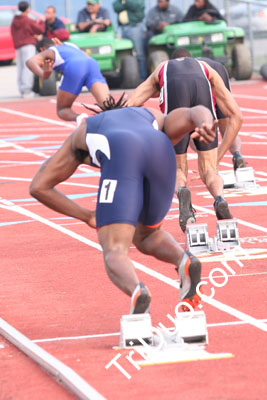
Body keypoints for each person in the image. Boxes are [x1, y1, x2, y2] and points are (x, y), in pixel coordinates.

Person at [29, 95, 217, 314]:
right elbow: (194, 111)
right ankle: (183, 259)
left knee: (115, 249)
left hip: (122, 153)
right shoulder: (151, 115)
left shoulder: (84, 131)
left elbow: (38, 186)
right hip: (162, 152)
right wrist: (204, 123)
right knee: (146, 236)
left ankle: (138, 291)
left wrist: (87, 215)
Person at [127, 57, 243, 233]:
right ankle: (220, 198)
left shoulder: (161, 70)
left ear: (158, 90)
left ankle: (182, 190)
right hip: (204, 102)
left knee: (178, 170)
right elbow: (237, 117)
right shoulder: (207, 69)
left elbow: (130, 104)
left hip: (176, 102)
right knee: (210, 171)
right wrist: (219, 155)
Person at [172, 47, 246, 171]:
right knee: (226, 125)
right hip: (218, 71)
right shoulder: (203, 63)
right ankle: (237, 154)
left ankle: (211, 162)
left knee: (196, 133)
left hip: (201, 83)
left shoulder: (177, 72)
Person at [26, 37, 110, 122]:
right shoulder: (69, 45)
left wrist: (44, 75)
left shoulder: (49, 51)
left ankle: (82, 119)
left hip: (75, 66)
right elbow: (85, 57)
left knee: (63, 109)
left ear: (42, 49)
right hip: (92, 64)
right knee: (108, 106)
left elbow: (30, 62)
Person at [10, 1, 44, 98]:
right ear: (27, 9)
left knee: (20, 67)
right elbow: (39, 29)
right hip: (28, 45)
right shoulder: (27, 20)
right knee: (28, 67)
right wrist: (41, 21)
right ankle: (27, 89)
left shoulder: (14, 20)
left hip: (19, 46)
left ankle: (22, 89)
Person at [113, 0, 147, 81]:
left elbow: (135, 5)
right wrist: (125, 4)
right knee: (126, 54)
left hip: (135, 27)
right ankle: (130, 79)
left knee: (139, 54)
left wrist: (124, 2)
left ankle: (143, 78)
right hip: (123, 28)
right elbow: (116, 7)